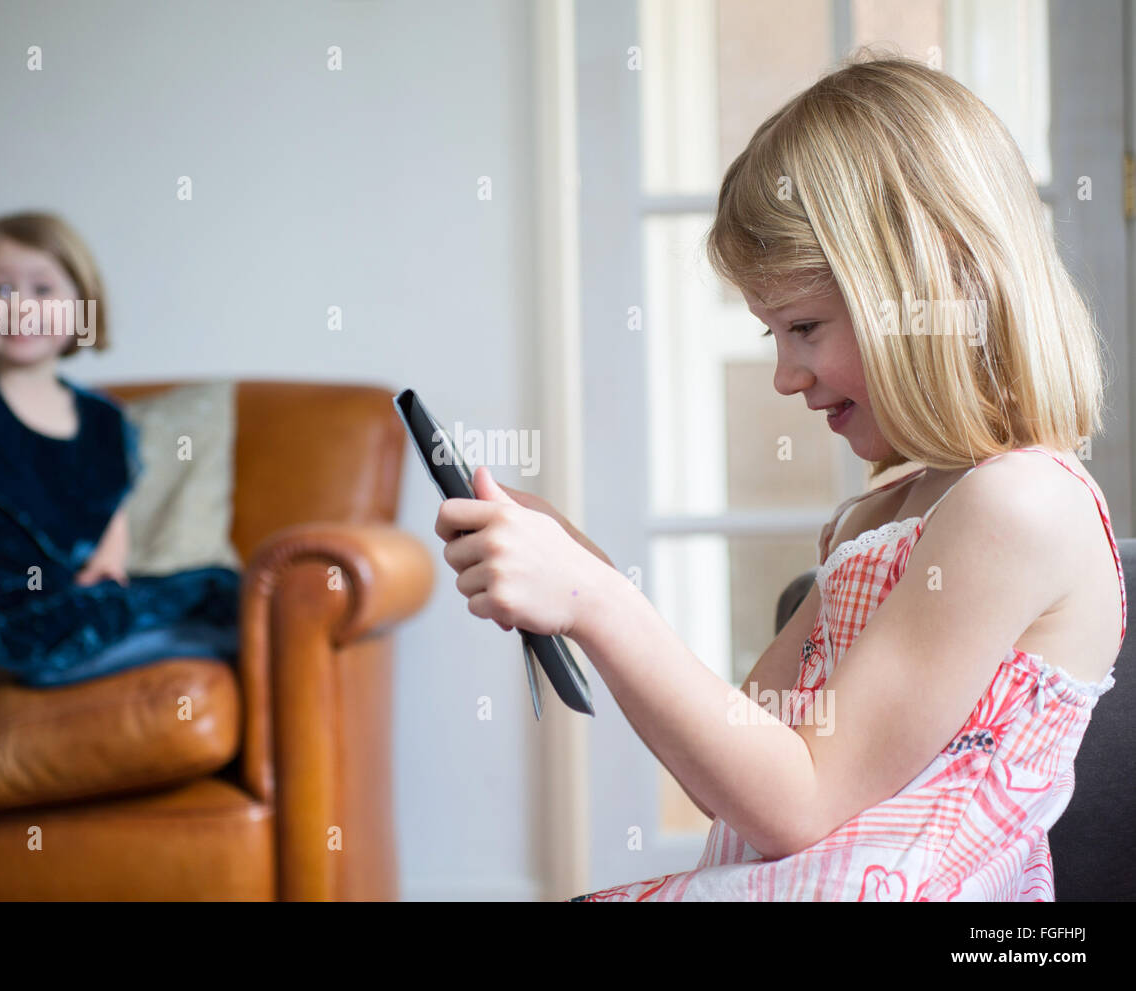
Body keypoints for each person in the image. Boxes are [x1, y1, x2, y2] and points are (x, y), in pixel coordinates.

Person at [434, 52, 1125, 901]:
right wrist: (581, 569)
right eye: (772, 335)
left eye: (804, 325)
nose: (785, 376)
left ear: (937, 281)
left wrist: (593, 601)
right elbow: (737, 761)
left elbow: (799, 801)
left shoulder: (1020, 506)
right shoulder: (881, 510)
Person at [0, 211, 239, 696]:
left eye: (43, 290)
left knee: (215, 597)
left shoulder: (104, 419)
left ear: (82, 309)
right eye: (0, 290)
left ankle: (4, 671)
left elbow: (112, 512)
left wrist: (108, 566)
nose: (21, 308)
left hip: (70, 598)